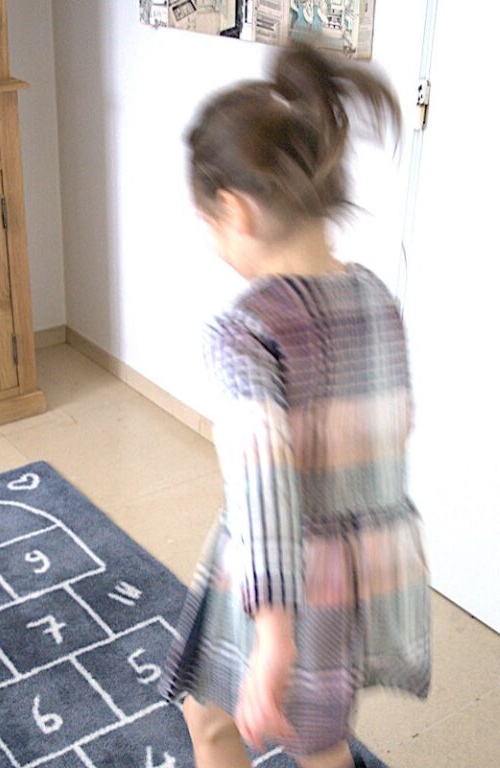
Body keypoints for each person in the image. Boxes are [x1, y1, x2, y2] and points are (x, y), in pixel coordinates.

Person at [158, 43, 432, 768]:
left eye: (208, 225)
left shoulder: (244, 330)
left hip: (286, 576)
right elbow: (397, 423)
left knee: (219, 719)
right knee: (316, 734)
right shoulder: (375, 297)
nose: (213, 242)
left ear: (235, 211)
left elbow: (264, 485)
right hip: (363, 570)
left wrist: (273, 637)